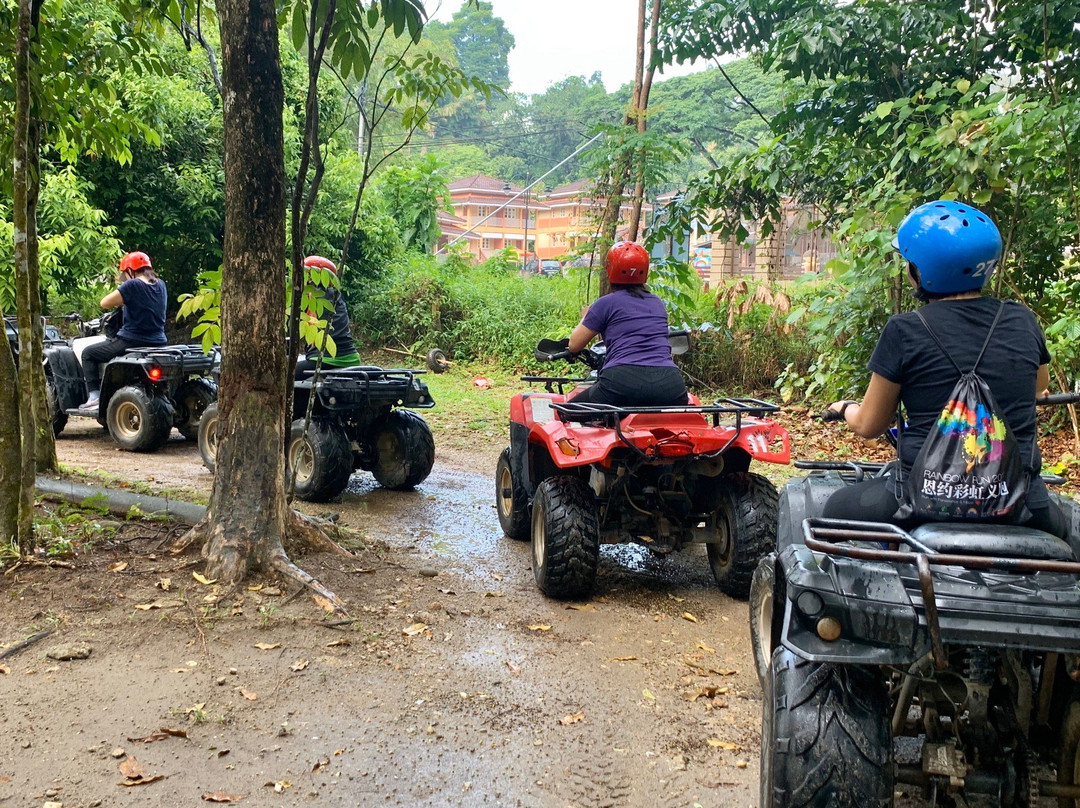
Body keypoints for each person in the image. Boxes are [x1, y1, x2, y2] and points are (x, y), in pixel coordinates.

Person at [822, 199, 1068, 539]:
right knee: (1067, 527)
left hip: (919, 495)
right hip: (1022, 502)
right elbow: (1039, 386)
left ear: (921, 270)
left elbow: (869, 425)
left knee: (832, 508)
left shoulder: (904, 330)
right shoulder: (1022, 320)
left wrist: (845, 408)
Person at [566, 241, 688, 408]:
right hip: (670, 384)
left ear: (610, 269)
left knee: (567, 411)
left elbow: (574, 345)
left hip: (622, 382)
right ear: (645, 271)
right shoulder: (657, 303)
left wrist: (585, 317)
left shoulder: (605, 304)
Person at [77, 251, 167, 412]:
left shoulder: (132, 285)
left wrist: (124, 299)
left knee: (88, 354)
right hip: (159, 341)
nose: (124, 277)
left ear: (130, 271)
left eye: (125, 274)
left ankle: (95, 397)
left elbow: (104, 303)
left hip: (131, 341)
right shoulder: (161, 284)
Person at [294, 255, 361, 380]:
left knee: (283, 375)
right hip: (351, 357)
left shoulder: (315, 294)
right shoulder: (335, 295)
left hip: (327, 359)